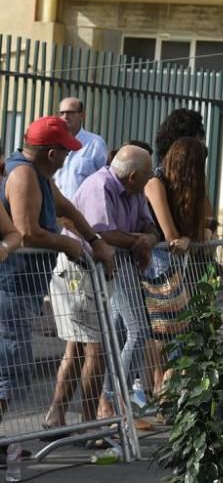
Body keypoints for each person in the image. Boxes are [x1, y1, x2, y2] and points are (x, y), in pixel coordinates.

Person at [1, 117, 114, 445]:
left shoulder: (39, 175)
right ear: (52, 153)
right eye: (65, 152)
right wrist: (69, 244)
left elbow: (68, 209)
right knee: (11, 369)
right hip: (10, 286)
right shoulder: (22, 175)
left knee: (11, 369)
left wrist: (93, 240)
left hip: (22, 288)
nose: (68, 158)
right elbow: (25, 232)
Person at [76, 146, 160, 424]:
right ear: (134, 176)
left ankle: (109, 401)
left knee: (120, 330)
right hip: (96, 267)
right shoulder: (100, 186)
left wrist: (147, 239)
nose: (152, 179)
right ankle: (112, 400)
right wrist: (140, 241)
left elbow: (151, 227)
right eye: (148, 174)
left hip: (121, 264)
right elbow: (103, 233)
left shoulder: (135, 192)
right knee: (138, 328)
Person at [142, 137, 210, 396]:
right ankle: (160, 391)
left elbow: (195, 234)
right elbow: (170, 234)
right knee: (166, 334)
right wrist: (187, 238)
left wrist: (189, 238)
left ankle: (164, 392)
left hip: (169, 265)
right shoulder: (155, 183)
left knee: (173, 334)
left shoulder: (181, 188)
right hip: (155, 265)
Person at [53, 97, 108, 200]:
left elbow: (104, 180)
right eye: (62, 113)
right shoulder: (53, 143)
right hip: (57, 211)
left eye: (70, 112)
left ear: (82, 115)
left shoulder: (95, 144)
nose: (65, 116)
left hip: (84, 210)